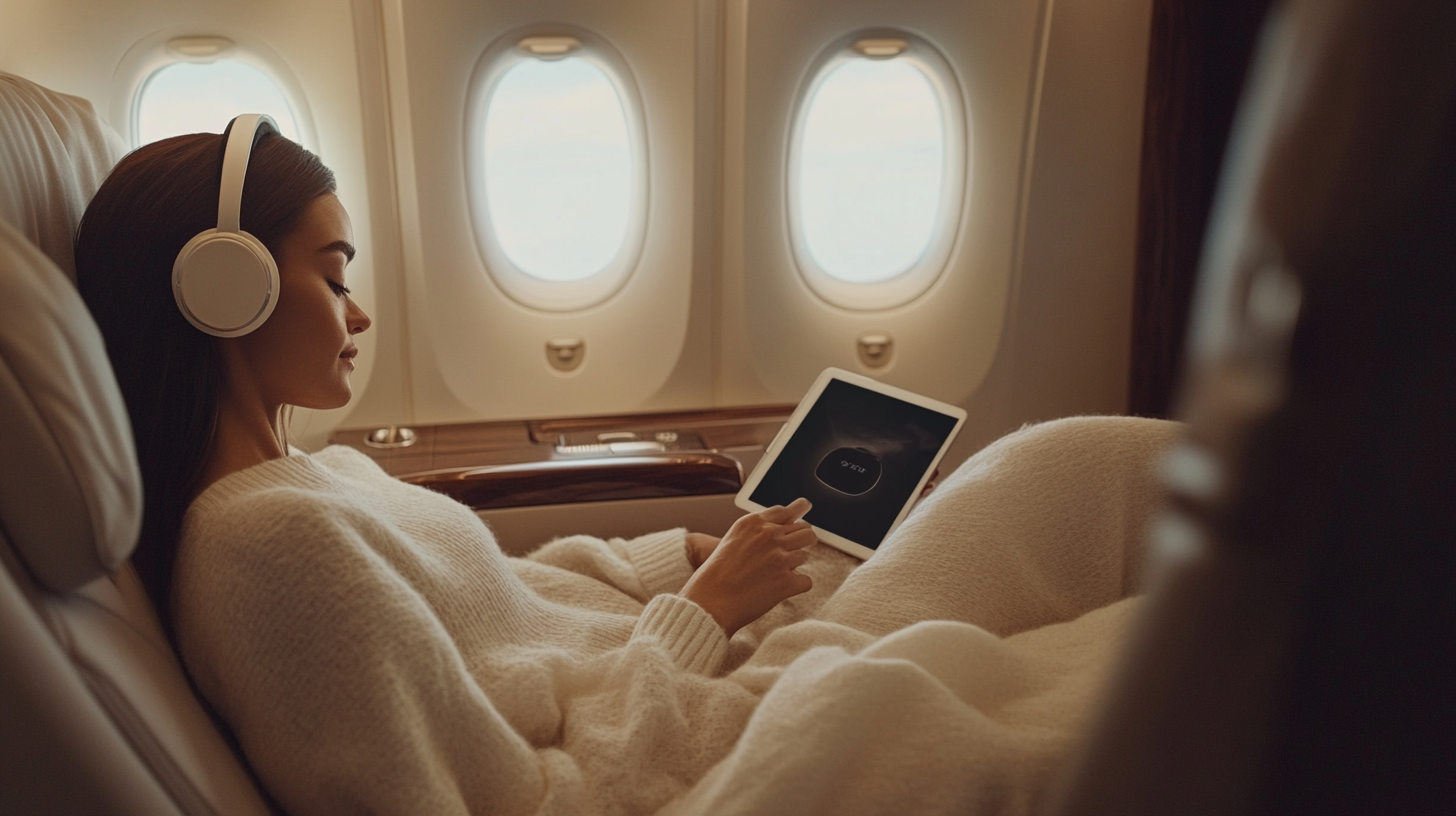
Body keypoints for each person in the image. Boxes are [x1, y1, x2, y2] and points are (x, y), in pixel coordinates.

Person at [76, 125, 1182, 816]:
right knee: (1102, 642)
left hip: (673, 672)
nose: (359, 311)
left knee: (1072, 468)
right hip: (703, 746)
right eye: (331, 274)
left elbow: (506, 606)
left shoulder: (319, 478)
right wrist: (701, 617)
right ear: (226, 293)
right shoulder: (262, 552)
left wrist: (666, 562)